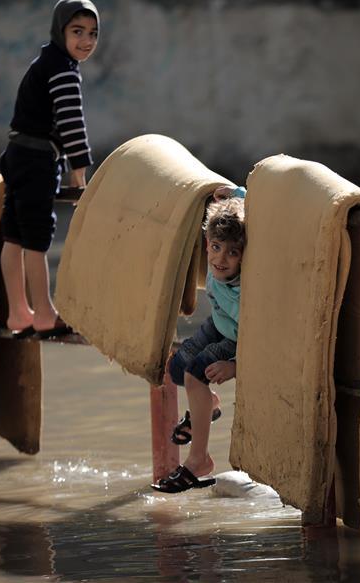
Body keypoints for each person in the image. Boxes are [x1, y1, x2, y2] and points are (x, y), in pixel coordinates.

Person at [0, 0, 99, 339]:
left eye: (92, 33)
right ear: (60, 31)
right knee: (37, 238)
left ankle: (18, 311)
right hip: (37, 160)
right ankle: (43, 312)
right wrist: (79, 170)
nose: (86, 41)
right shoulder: (62, 70)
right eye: (77, 31)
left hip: (16, 154)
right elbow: (72, 122)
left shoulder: (45, 62)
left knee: (14, 235)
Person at [152, 187, 247, 493]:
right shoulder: (213, 256)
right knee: (177, 368)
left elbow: (261, 336)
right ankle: (208, 405)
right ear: (207, 242)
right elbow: (248, 201)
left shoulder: (247, 288)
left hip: (238, 339)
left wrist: (235, 366)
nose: (221, 259)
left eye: (233, 253)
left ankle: (199, 461)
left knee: (196, 376)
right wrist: (234, 193)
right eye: (216, 247)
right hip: (219, 324)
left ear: (244, 256)